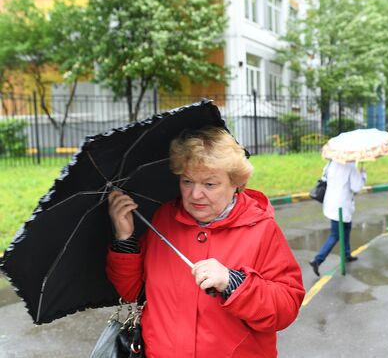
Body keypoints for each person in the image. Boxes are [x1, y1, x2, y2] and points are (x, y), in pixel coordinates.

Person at [106, 127, 305, 358]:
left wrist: (234, 282)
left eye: (210, 184)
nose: (195, 194)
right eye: (187, 181)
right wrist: (125, 239)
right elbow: (132, 292)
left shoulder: (261, 229)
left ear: (235, 183)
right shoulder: (163, 220)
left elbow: (286, 309)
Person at [309, 160, 366, 277]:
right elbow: (356, 188)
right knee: (335, 235)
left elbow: (324, 176)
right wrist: (363, 175)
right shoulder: (351, 167)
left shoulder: (332, 163)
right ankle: (317, 260)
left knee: (347, 227)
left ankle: (346, 254)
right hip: (342, 205)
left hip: (331, 202)